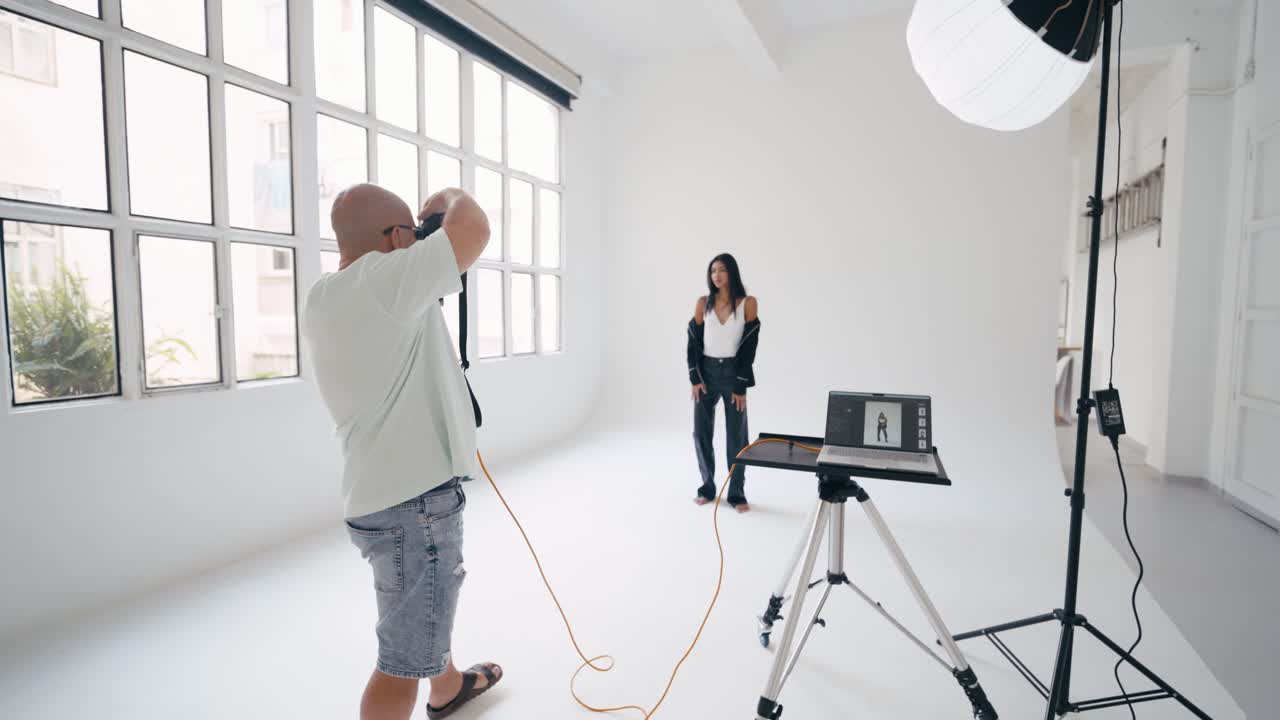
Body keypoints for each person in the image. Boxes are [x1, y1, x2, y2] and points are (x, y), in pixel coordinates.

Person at [303, 184, 502, 720]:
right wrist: (452, 196)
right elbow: (475, 230)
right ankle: (429, 683)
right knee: (400, 659)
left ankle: (448, 687)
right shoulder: (384, 282)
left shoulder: (324, 294)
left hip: (376, 496)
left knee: (419, 613)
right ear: (395, 238)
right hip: (416, 507)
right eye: (411, 236)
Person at [687, 253, 760, 513]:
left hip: (733, 374)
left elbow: (750, 346)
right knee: (701, 433)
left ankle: (737, 494)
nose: (716, 275)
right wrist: (695, 377)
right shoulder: (702, 303)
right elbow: (693, 343)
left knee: (737, 438)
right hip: (706, 372)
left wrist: (741, 384)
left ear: (732, 273)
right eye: (712, 271)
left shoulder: (747, 303)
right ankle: (707, 487)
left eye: (722, 270)